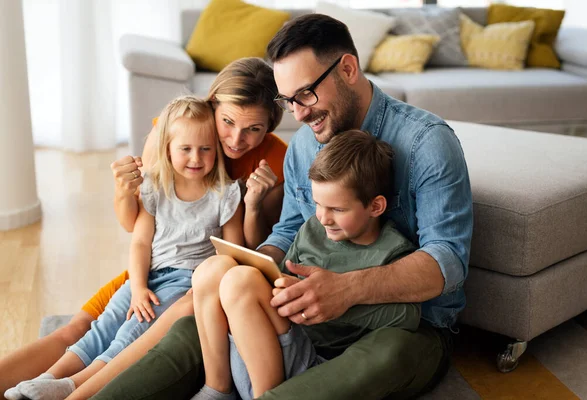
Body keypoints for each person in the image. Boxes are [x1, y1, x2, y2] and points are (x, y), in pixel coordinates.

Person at [93, 13, 473, 400]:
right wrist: (249, 269)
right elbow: (288, 232)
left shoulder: (427, 143)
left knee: (369, 363)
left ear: (347, 68)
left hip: (404, 326)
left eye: (306, 94)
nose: (300, 113)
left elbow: (448, 262)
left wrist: (346, 290)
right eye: (289, 101)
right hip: (304, 309)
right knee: (194, 326)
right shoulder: (306, 145)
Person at [0, 57, 287, 397]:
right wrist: (124, 191)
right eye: (227, 121)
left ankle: (74, 388)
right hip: (151, 263)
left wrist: (253, 203)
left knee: (132, 331)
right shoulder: (175, 129)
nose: (238, 139)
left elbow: (252, 247)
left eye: (254, 128)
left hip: (201, 276)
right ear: (211, 106)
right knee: (79, 328)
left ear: (269, 125)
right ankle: (41, 383)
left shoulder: (275, 161)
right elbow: (136, 227)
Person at [191, 130, 421, 400]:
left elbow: (408, 315)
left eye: (337, 209)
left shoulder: (392, 250)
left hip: (310, 362)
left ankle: (268, 396)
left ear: (375, 206)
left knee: (240, 282)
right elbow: (285, 277)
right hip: (263, 348)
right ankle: (218, 389)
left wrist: (331, 303)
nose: (323, 218)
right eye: (317, 205)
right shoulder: (312, 228)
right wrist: (287, 288)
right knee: (212, 269)